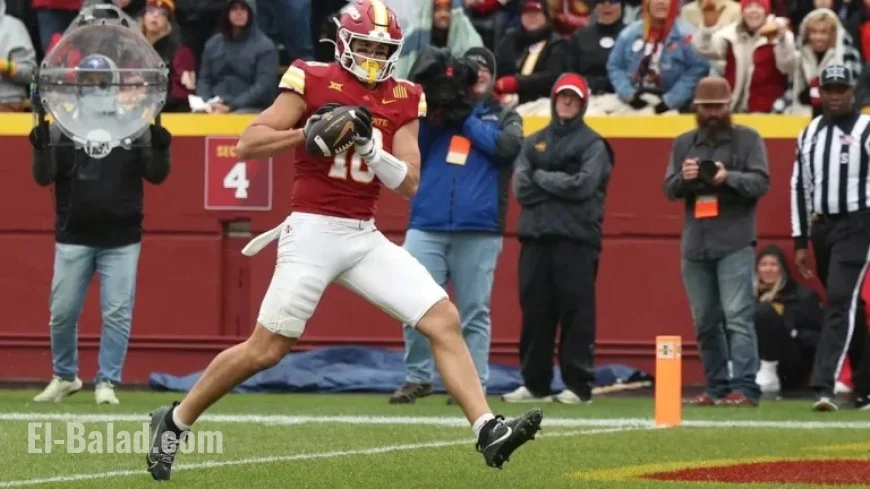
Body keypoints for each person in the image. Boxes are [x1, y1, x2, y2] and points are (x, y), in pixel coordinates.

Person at [145, 0, 543, 481]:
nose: (374, 57)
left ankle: (487, 429)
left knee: (444, 319)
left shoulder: (404, 95)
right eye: (367, 47)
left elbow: (409, 183)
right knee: (265, 350)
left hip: (362, 234)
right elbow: (249, 142)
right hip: (312, 230)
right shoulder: (311, 77)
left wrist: (371, 148)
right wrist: (307, 133)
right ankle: (175, 420)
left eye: (383, 49)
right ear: (344, 44)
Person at [29, 54, 172, 405]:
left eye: (101, 81)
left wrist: (161, 147)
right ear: (78, 85)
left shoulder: (134, 126)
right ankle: (65, 376)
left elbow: (156, 175)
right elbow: (43, 177)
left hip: (121, 237)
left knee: (117, 314)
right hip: (74, 234)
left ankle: (107, 381)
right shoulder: (61, 127)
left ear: (112, 83)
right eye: (88, 81)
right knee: (62, 312)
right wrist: (41, 148)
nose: (95, 88)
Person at [390, 46, 524, 404]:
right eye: (471, 68)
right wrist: (430, 103)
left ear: (493, 76)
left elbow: (506, 147)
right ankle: (418, 376)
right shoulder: (436, 113)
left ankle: (472, 383)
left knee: (474, 311)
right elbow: (412, 143)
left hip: (479, 229)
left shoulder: (505, 115)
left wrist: (464, 119)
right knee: (413, 301)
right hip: (427, 224)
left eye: (484, 68)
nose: (477, 73)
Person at [505, 72, 613, 404]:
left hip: (576, 239)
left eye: (574, 98)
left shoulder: (594, 144)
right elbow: (521, 188)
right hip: (535, 238)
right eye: (563, 96)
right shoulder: (532, 140)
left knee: (576, 314)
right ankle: (535, 383)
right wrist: (559, 181)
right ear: (553, 99)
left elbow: (583, 186)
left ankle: (578, 386)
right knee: (535, 312)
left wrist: (541, 177)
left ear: (583, 103)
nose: (567, 102)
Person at [663, 76, 770, 407]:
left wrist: (728, 177)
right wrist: (685, 179)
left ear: (729, 106)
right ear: (697, 107)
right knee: (705, 321)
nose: (711, 113)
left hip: (734, 240)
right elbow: (669, 189)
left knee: (737, 316)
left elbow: (761, 182)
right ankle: (717, 386)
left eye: (717, 107)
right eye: (706, 107)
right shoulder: (684, 143)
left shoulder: (748, 139)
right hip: (695, 243)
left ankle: (745, 387)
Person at [790, 63, 870, 411]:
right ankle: (866, 385)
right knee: (849, 304)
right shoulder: (809, 133)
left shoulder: (867, 129)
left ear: (852, 92)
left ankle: (824, 386)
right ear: (821, 94)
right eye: (829, 90)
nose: (835, 96)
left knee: (839, 300)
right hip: (822, 227)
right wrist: (800, 240)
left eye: (841, 90)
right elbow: (800, 187)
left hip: (858, 223)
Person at [753, 244, 823, 394]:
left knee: (765, 312)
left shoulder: (804, 296)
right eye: (763, 264)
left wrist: (793, 332)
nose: (768, 269)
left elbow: (820, 338)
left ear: (782, 269)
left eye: (773, 264)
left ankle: (769, 371)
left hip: (789, 360)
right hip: (755, 359)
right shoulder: (749, 296)